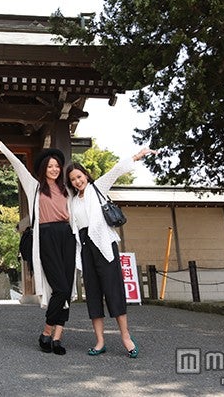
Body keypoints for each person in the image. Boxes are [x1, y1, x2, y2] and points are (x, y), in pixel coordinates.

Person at [0, 134, 76, 355]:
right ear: (43, 168)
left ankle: (57, 338)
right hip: (47, 237)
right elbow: (18, 164)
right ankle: (46, 332)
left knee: (66, 289)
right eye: (50, 166)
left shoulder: (67, 189)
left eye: (57, 166)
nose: (54, 169)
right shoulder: (35, 187)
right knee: (59, 288)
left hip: (67, 236)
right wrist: (0, 144)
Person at [66, 147, 157, 359]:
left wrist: (138, 155)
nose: (77, 181)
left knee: (114, 290)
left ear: (85, 175)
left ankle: (125, 337)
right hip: (86, 248)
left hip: (104, 245)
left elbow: (116, 170)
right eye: (72, 180)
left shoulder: (98, 187)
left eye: (79, 176)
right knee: (94, 295)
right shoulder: (71, 201)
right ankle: (100, 341)